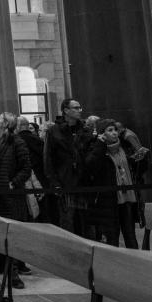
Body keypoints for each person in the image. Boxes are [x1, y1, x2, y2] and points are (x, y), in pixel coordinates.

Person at [0, 112, 33, 289]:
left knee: (11, 234)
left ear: (5, 124)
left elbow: (26, 168)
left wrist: (13, 183)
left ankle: (13, 272)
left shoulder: (16, 141)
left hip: (11, 196)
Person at [84, 119, 140, 249]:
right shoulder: (97, 148)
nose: (114, 133)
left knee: (130, 235)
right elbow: (90, 166)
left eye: (115, 130)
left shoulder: (124, 147)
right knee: (112, 237)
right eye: (110, 130)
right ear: (101, 133)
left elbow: (136, 170)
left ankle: (136, 262)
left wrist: (140, 160)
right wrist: (100, 144)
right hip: (109, 200)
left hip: (127, 198)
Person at [44, 98, 92, 236]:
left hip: (84, 182)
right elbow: (48, 160)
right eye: (75, 108)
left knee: (85, 224)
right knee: (67, 224)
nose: (79, 110)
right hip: (65, 182)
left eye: (79, 108)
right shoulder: (53, 131)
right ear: (66, 110)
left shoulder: (85, 129)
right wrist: (55, 183)